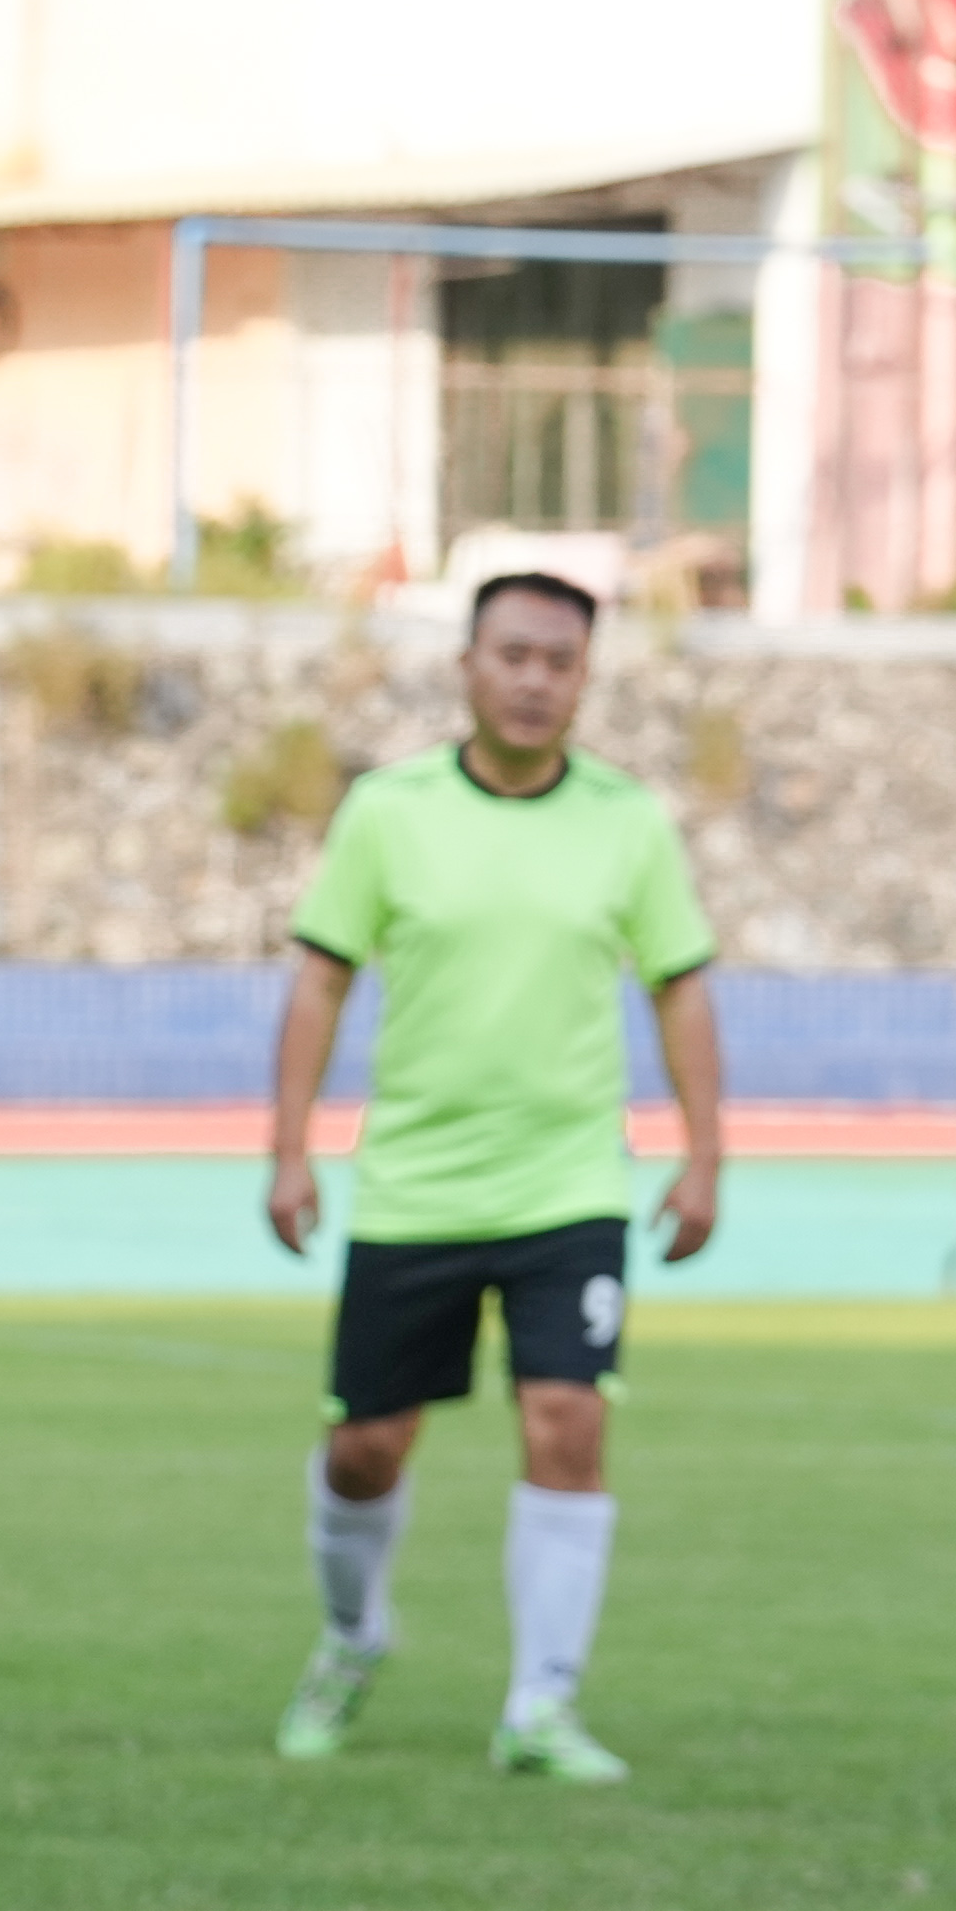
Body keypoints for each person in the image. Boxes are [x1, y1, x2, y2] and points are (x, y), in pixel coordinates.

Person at [258, 571, 723, 1785]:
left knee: (567, 1423)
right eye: (512, 654)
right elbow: (320, 978)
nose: (533, 680)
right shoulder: (390, 812)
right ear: (468, 666)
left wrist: (704, 1156)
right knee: (366, 1447)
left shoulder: (628, 823)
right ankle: (355, 1634)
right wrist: (290, 1148)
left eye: (558, 662)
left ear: (584, 679)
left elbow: (681, 985)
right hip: (415, 1188)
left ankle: (541, 1705)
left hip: (568, 1188)